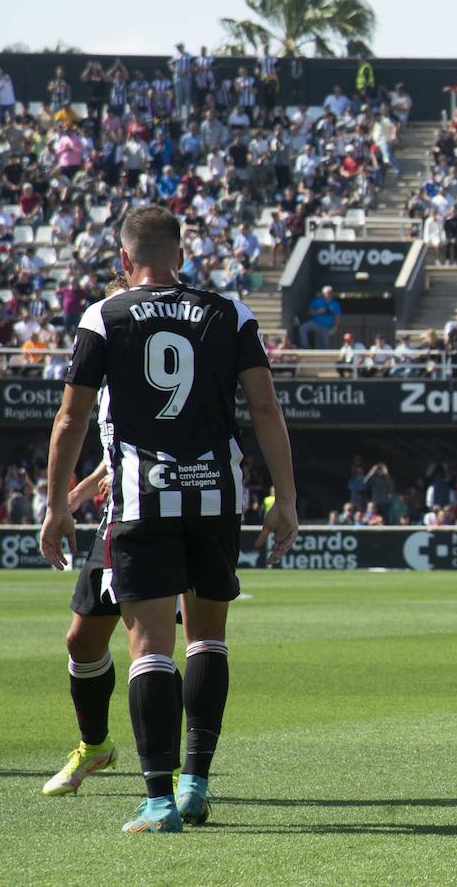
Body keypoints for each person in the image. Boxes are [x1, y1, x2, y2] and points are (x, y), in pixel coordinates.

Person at [39, 206, 300, 834]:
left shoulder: (105, 316)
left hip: (143, 498)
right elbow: (265, 407)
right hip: (215, 494)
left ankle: (157, 801)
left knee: (150, 648)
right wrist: (285, 500)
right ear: (180, 255)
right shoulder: (230, 312)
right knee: (208, 639)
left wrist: (55, 507)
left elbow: (72, 420)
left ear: (125, 259)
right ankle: (194, 786)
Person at [40, 277, 191, 798]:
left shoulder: (143, 373)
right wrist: (76, 496)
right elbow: (111, 455)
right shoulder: (106, 375)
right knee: (81, 641)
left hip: (155, 514)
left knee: (151, 644)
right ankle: (96, 745)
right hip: (114, 519)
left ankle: (170, 766)